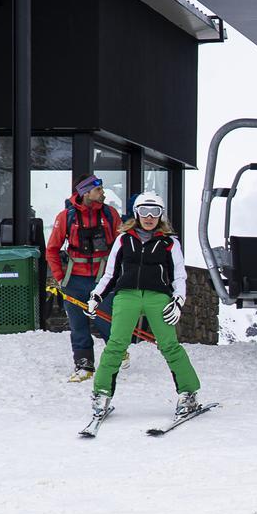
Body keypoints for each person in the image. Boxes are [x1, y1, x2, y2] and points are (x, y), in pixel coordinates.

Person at [86, 193, 201, 418]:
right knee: (116, 345)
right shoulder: (124, 239)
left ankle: (188, 393)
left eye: (155, 212)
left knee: (169, 345)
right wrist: (96, 296)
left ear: (161, 215)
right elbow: (111, 273)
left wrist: (178, 300)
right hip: (127, 296)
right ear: (136, 213)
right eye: (145, 211)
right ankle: (101, 393)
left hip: (158, 297)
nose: (149, 217)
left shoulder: (169, 242)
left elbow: (179, 276)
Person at [44, 174, 119, 382]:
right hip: (74, 280)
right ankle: (84, 364)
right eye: (98, 190)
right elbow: (51, 249)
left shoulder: (110, 214)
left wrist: (117, 275)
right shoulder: (65, 217)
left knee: (108, 320)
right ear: (86, 193)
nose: (102, 193)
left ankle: (116, 356)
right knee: (78, 325)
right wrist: (60, 278)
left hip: (103, 280)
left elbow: (120, 247)